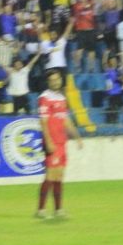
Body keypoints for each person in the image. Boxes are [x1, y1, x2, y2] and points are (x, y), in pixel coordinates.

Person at [36, 69, 83, 219]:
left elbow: (66, 120)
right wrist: (48, 141)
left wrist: (77, 136)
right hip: (52, 142)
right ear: (48, 82)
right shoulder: (44, 98)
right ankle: (41, 210)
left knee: (60, 176)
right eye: (53, 80)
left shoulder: (62, 98)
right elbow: (43, 122)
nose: (56, 82)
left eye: (58, 79)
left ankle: (58, 210)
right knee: (50, 175)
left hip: (62, 142)